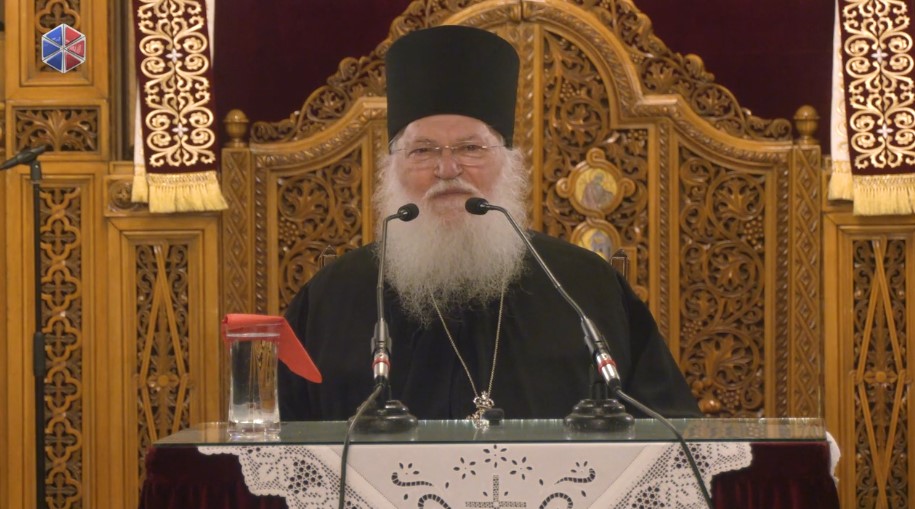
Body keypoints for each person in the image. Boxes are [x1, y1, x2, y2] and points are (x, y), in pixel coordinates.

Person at [279, 25, 700, 421]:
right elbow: (282, 442)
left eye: (471, 148)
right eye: (423, 151)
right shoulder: (331, 298)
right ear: (392, 168)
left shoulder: (583, 286)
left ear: (509, 163)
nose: (447, 169)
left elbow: (668, 431)